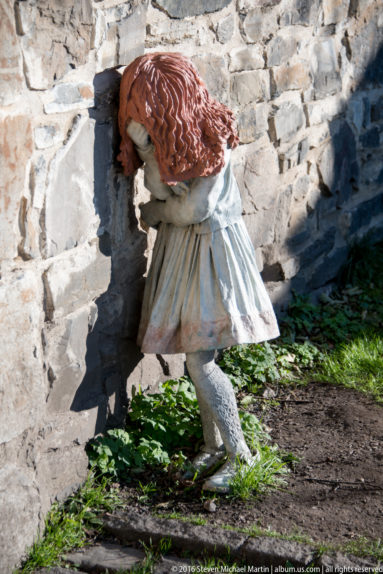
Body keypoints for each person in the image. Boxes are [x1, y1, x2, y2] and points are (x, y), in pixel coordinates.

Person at [118, 52, 280, 492]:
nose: (147, 135)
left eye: (152, 123)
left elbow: (195, 207)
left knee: (199, 359)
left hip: (212, 252)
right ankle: (213, 446)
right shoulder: (170, 142)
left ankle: (240, 455)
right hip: (186, 249)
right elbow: (158, 182)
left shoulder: (212, 138)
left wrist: (156, 210)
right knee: (198, 349)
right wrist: (148, 147)